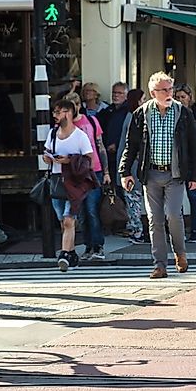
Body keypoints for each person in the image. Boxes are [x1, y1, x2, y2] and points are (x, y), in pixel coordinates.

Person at [119, 72, 196, 279]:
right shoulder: (142, 113)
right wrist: (125, 171)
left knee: (173, 215)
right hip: (151, 173)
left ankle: (180, 253)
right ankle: (160, 264)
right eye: (163, 90)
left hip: (175, 173)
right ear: (152, 92)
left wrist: (195, 176)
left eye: (170, 89)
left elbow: (194, 146)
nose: (168, 93)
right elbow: (132, 145)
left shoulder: (183, 112)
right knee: (154, 220)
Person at [43, 99, 96, 272]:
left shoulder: (80, 135)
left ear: (68, 113)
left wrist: (70, 160)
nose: (55, 116)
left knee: (68, 220)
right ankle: (72, 255)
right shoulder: (53, 133)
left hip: (74, 182)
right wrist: (49, 158)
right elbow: (45, 154)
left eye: (58, 112)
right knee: (63, 221)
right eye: (55, 112)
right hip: (57, 181)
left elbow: (89, 158)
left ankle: (64, 255)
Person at [63, 92, 110, 260]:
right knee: (81, 212)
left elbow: (100, 146)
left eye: (74, 105)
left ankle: (98, 246)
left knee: (91, 209)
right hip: (75, 173)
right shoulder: (64, 126)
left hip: (93, 170)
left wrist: (106, 172)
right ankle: (88, 246)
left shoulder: (90, 121)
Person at [175, 83, 196, 243]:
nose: (180, 100)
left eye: (183, 97)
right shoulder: (173, 113)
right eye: (177, 97)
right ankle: (177, 231)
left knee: (194, 197)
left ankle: (195, 231)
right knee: (176, 199)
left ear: (189, 98)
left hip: (192, 161)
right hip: (177, 161)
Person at [117, 89, 148, 244]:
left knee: (133, 199)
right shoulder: (135, 118)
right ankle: (137, 231)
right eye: (142, 99)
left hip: (128, 165)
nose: (144, 102)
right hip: (134, 166)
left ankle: (136, 229)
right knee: (134, 199)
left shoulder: (129, 117)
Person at [96, 82, 129, 178]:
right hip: (107, 154)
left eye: (119, 93)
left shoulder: (129, 112)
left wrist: (117, 144)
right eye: (114, 93)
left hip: (123, 153)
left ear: (126, 95)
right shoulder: (107, 111)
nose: (116, 95)